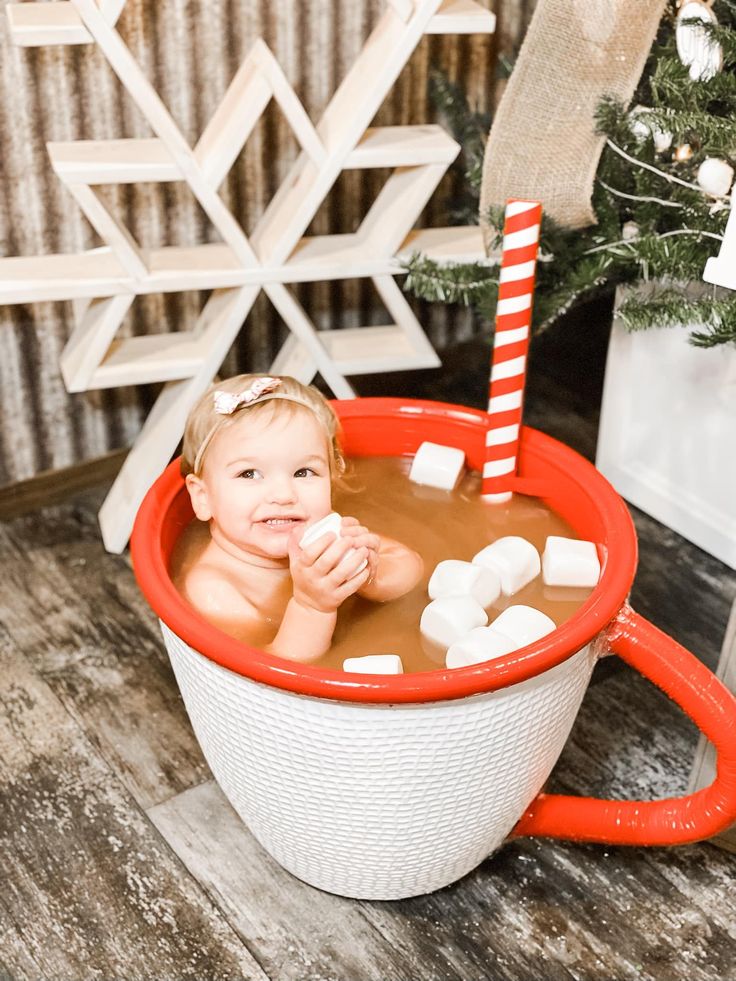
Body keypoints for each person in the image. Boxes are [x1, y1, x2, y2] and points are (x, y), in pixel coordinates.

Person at [174, 374, 424, 663]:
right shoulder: (214, 589)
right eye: (249, 473)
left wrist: (369, 574)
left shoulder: (325, 535)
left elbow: (414, 569)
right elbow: (269, 665)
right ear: (203, 497)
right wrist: (312, 606)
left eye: (304, 472)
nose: (283, 495)